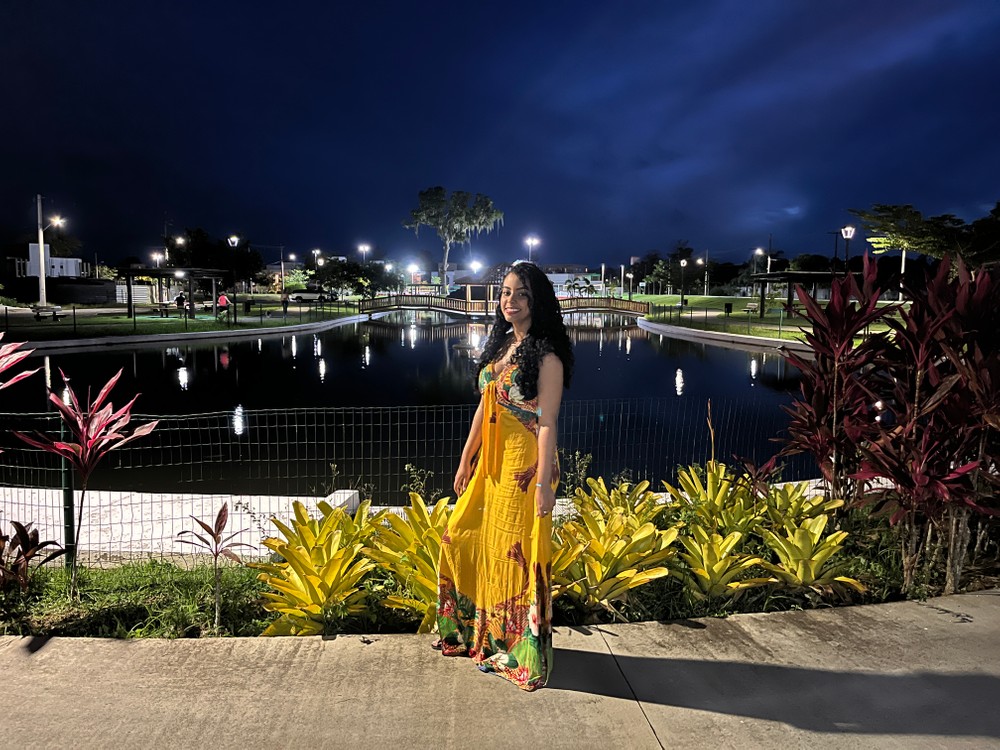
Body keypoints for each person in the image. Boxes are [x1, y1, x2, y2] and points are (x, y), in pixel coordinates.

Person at [434, 261, 574, 691]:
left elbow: (547, 423)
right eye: (505, 293)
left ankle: (517, 650)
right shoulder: (501, 346)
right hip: (491, 465)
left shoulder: (547, 356)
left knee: (516, 555)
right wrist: (466, 458)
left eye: (520, 294)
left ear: (537, 301)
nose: (509, 301)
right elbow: (486, 404)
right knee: (462, 536)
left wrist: (542, 485)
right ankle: (483, 635)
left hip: (524, 466)